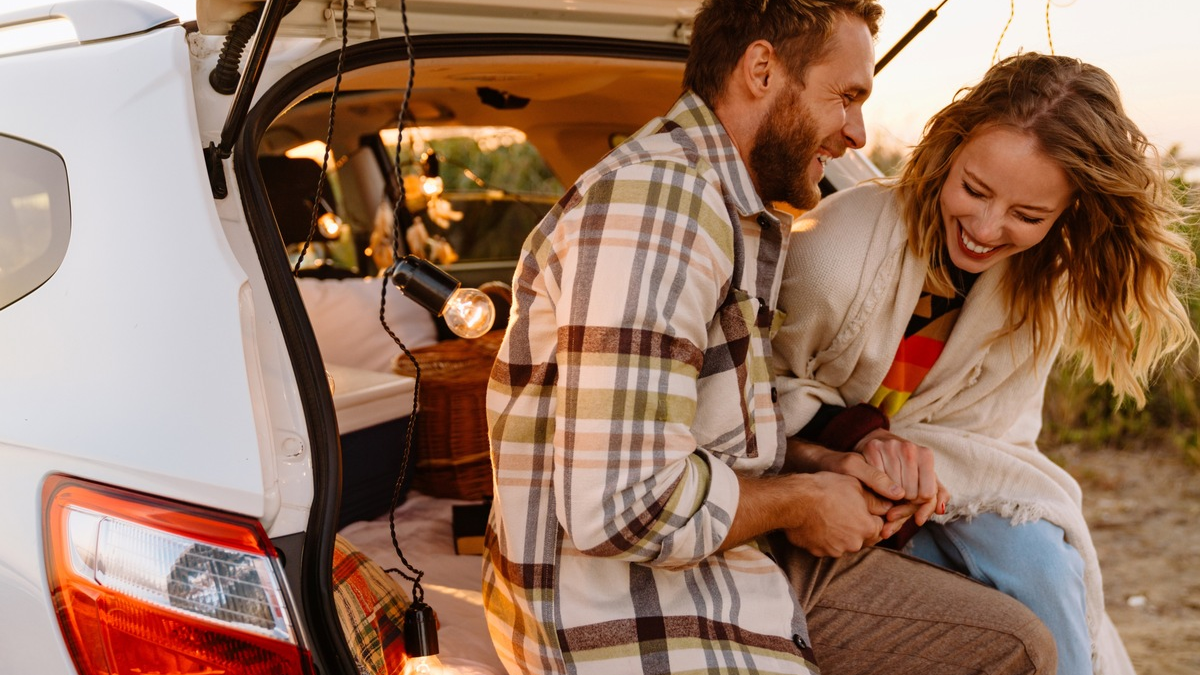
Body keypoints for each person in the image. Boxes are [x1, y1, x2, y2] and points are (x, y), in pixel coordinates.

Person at [481, 1, 1057, 674]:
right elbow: (622, 505)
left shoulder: (724, 209)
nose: (858, 133)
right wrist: (801, 502)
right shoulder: (660, 209)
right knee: (1013, 649)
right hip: (625, 609)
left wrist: (825, 464)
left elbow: (707, 441)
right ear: (761, 70)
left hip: (716, 558)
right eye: (844, 97)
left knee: (1016, 634)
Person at [772, 51, 1197, 675]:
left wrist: (914, 467)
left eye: (1029, 216)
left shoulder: (1039, 289)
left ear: (1067, 212)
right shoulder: (838, 247)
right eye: (974, 189)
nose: (986, 227)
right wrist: (859, 445)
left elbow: (992, 442)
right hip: (817, 478)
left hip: (945, 491)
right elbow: (758, 393)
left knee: (1046, 566)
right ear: (950, 149)